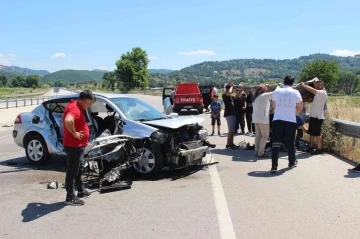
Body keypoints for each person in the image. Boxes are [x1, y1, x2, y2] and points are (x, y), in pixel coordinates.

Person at [63, 89, 95, 205]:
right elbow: (68, 120)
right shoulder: (74, 109)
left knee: (79, 169)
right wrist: (75, 133)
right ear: (85, 101)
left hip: (79, 146)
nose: (89, 106)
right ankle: (70, 197)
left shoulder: (77, 107)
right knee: (72, 171)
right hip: (73, 146)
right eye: (90, 104)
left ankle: (80, 191)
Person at [270, 75, 303, 173]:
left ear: (283, 82)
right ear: (292, 83)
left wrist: (280, 111)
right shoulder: (296, 92)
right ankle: (291, 162)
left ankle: (274, 166)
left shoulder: (277, 91)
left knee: (275, 143)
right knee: (290, 142)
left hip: (277, 119)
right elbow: (300, 107)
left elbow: (273, 106)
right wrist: (293, 114)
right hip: (290, 120)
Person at [301, 80, 328, 155]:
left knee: (317, 133)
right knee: (312, 133)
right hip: (313, 116)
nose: (318, 86)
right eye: (317, 85)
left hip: (318, 117)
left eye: (319, 85)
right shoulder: (317, 94)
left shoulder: (322, 93)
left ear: (323, 86)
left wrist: (303, 85)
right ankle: (311, 147)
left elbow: (311, 89)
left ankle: (319, 149)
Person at [252, 84, 275, 158]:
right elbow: (275, 92)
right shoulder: (264, 95)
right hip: (263, 118)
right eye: (266, 87)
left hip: (256, 118)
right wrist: (279, 86)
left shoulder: (256, 97)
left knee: (258, 135)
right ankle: (261, 153)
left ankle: (257, 151)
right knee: (265, 136)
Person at [222, 83, 237, 149]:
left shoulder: (230, 97)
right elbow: (229, 92)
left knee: (232, 130)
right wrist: (232, 86)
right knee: (230, 130)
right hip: (229, 114)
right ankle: (228, 144)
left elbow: (236, 97)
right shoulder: (225, 95)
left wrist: (240, 91)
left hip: (233, 113)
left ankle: (231, 143)